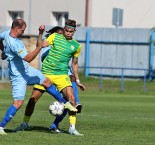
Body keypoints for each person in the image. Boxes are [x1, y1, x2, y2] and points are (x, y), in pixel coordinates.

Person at [0, 19, 77, 135]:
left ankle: (64, 102)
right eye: (22, 30)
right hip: (18, 76)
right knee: (18, 103)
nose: (23, 32)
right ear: (17, 29)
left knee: (46, 81)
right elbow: (28, 58)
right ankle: (1, 127)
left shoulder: (6, 33)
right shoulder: (14, 43)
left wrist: (3, 51)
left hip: (27, 70)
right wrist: (40, 47)